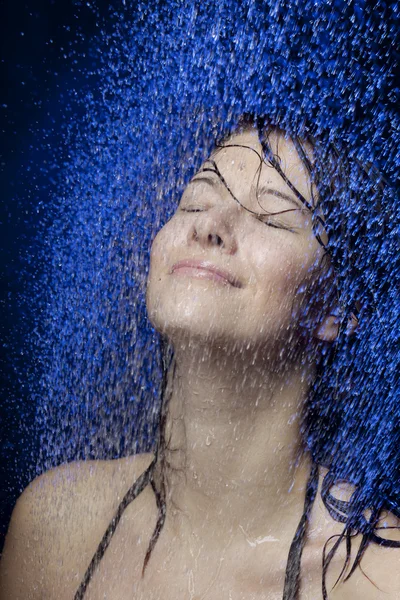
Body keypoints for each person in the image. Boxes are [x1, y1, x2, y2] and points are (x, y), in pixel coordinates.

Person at [0, 117, 399, 600]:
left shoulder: (378, 579)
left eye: (270, 216)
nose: (208, 225)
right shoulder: (56, 526)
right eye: (196, 198)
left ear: (336, 308)